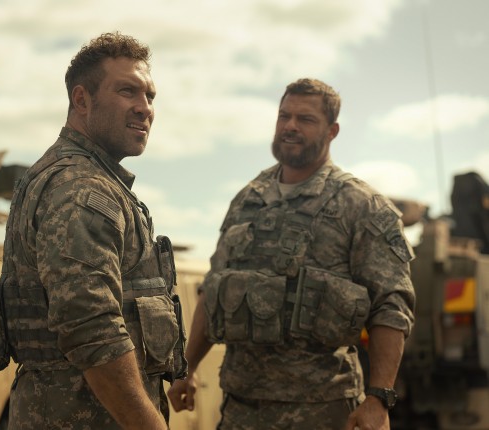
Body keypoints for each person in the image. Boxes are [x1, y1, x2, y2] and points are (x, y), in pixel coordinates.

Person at [168, 78, 416, 430]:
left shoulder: (362, 207)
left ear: (332, 131)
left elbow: (391, 307)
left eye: (305, 119)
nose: (290, 126)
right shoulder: (248, 199)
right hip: (240, 409)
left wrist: (379, 399)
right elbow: (213, 289)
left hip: (323, 412)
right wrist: (188, 367)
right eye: (284, 116)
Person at [1, 32, 186, 430]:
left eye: (150, 96)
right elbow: (92, 331)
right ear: (82, 100)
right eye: (127, 91)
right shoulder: (82, 189)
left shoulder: (84, 179)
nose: (144, 108)